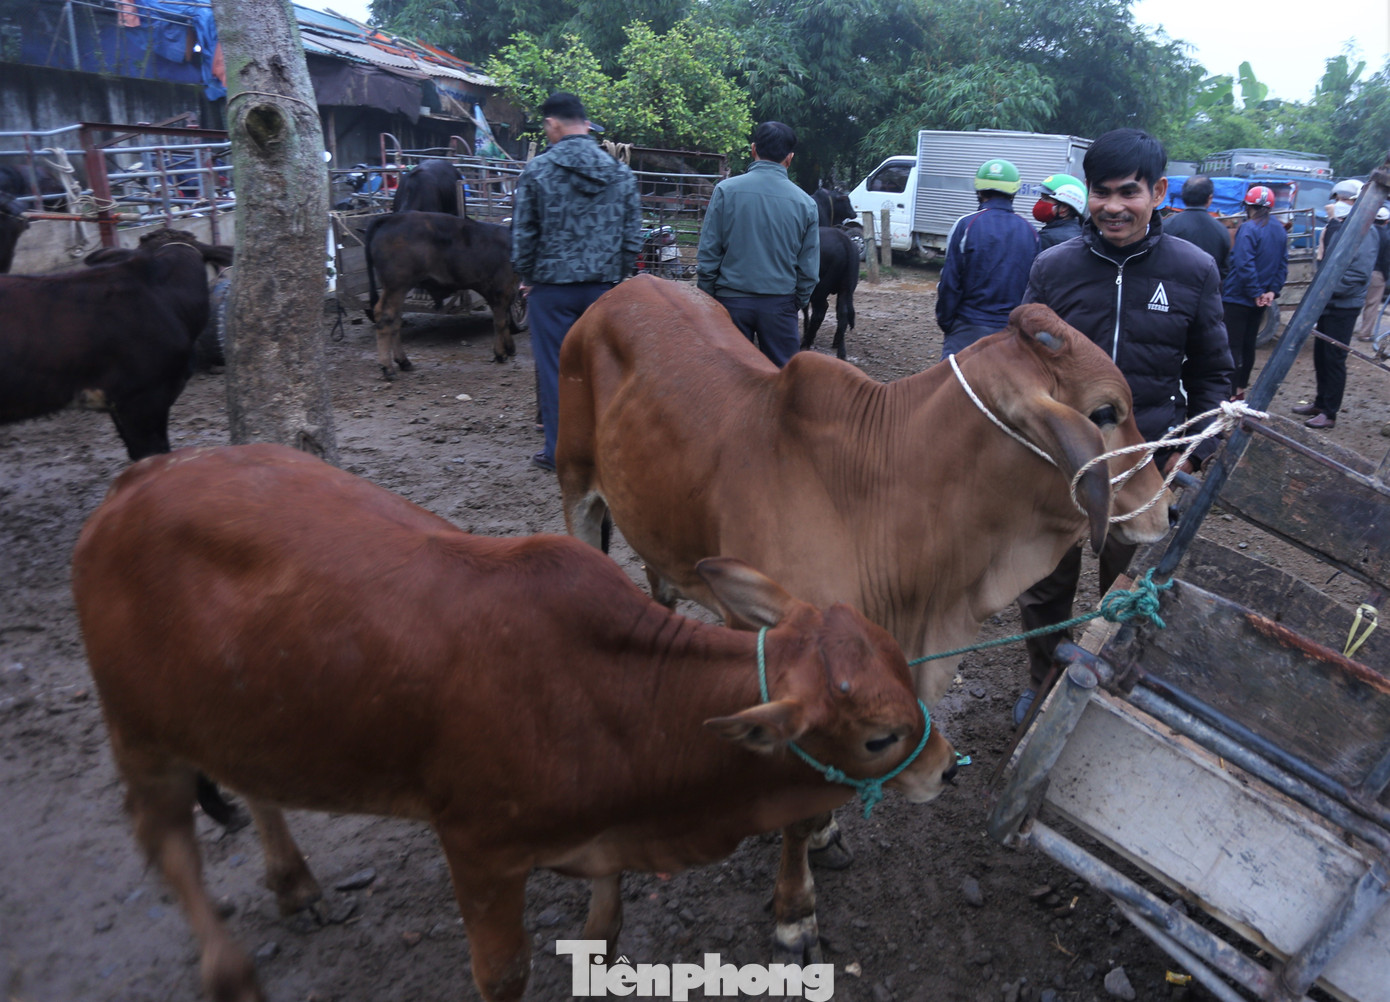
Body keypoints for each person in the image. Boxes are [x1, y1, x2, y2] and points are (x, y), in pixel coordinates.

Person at [1012, 128, 1233, 726]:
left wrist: (1194, 448)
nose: (1112, 206)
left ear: (1158, 192)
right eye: (1100, 192)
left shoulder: (1193, 270)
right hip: (1060, 464)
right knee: (1044, 588)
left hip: (1144, 464)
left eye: (1128, 192)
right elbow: (1022, 364)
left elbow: (1214, 373)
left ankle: (1110, 697)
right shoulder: (1053, 269)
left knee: (1131, 589)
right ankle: (1042, 683)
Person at [511, 91, 642, 472]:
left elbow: (523, 238)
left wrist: (528, 275)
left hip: (551, 292)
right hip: (604, 290)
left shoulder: (536, 171)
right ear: (585, 124)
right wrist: (616, 277)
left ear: (553, 124)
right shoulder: (619, 173)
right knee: (605, 370)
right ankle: (608, 448)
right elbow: (633, 236)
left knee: (556, 371)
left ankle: (559, 451)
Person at [696, 121, 819, 366]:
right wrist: (795, 302)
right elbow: (809, 270)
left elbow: (709, 253)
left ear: (753, 149)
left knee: (729, 375)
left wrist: (710, 296)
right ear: (790, 158)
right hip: (780, 304)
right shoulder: (806, 203)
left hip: (730, 302)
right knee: (781, 379)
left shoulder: (725, 191)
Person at [934, 158, 1039, 356]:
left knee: (955, 385)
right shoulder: (1031, 231)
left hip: (966, 327)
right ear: (1013, 192)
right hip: (1010, 333)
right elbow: (1032, 287)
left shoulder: (965, 225)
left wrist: (947, 322)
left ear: (979, 191)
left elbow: (950, 281)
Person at [1293, 202, 1379, 430]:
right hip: (1330, 304)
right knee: (1321, 356)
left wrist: (1326, 287)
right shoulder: (1349, 227)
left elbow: (1358, 275)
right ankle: (1320, 404)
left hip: (1343, 307)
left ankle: (1330, 413)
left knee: (1334, 359)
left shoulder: (1366, 232)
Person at [1220, 186, 1288, 399]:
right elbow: (1282, 264)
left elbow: (1243, 263)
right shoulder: (1279, 229)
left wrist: (1256, 291)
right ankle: (1240, 389)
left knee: (1232, 346)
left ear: (1249, 206)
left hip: (1238, 297)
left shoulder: (1249, 228)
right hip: (1260, 300)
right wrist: (1270, 292)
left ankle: (1229, 394)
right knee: (1249, 345)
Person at [1162, 175, 1231, 281]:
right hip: (1205, 292)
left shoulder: (1167, 226)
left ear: (1183, 196)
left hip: (1171, 291)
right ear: (1209, 198)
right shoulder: (1221, 230)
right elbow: (1224, 271)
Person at [1357, 206, 1390, 342]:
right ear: (1387, 221)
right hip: (1377, 273)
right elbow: (1387, 260)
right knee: (1372, 304)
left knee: (1356, 300)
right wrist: (1386, 277)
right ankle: (1365, 333)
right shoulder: (1386, 237)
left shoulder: (1366, 232)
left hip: (1361, 270)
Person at [1033, 173, 1086, 250]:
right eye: (1041, 198)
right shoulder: (1082, 233)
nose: (1040, 202)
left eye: (1046, 198)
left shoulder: (1047, 239)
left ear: (1064, 208)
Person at [1318, 178, 1362, 261]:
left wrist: (1332, 220)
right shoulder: (1331, 226)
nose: (1339, 203)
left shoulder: (1362, 226)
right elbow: (1323, 255)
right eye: (1337, 200)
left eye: (1344, 199)